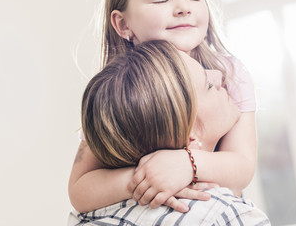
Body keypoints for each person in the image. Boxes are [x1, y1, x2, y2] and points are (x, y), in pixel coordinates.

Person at [69, 0, 256, 213]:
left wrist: (186, 165)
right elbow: (80, 190)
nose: (184, 7)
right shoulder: (119, 92)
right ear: (123, 23)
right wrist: (147, 177)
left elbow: (242, 167)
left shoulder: (228, 74)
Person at [68, 40, 269, 225]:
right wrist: (149, 177)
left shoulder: (85, 216)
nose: (220, 74)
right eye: (208, 85)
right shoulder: (228, 216)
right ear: (191, 138)